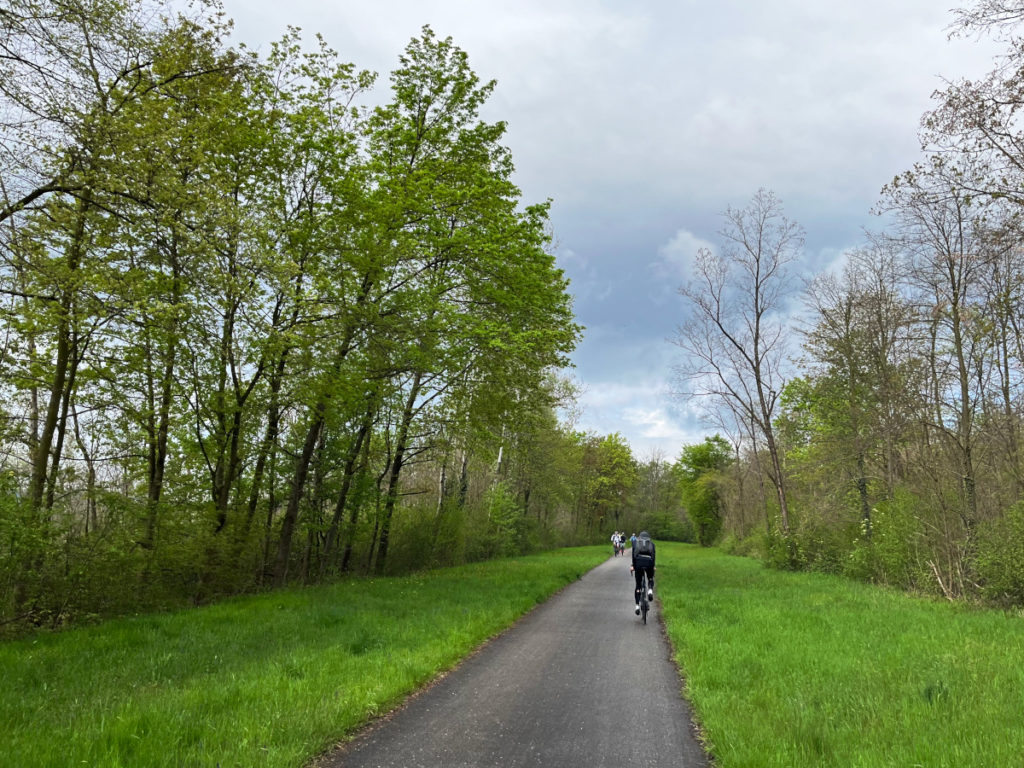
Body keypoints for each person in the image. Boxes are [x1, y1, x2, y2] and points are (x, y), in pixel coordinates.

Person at [630, 530, 655, 615]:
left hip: (638, 563)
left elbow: (633, 555)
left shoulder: (635, 543)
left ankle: (637, 606)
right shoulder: (651, 544)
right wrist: (653, 566)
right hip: (649, 563)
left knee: (638, 585)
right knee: (650, 578)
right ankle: (650, 590)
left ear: (639, 537)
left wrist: (633, 565)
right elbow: (653, 556)